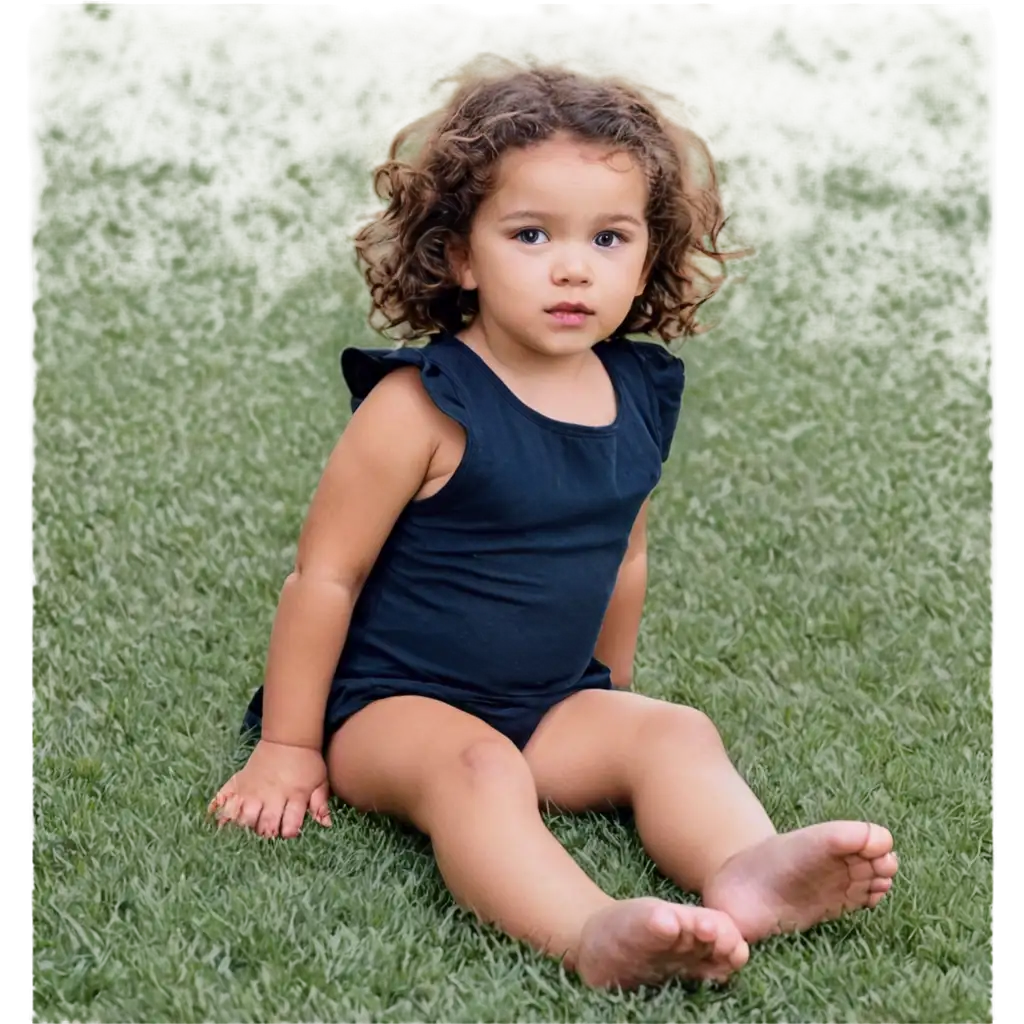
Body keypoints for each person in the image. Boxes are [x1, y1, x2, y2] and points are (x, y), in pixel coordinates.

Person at [208, 60, 898, 991]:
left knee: (675, 732)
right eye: (530, 234)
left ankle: (745, 867)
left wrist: (609, 692)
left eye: (609, 238)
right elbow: (323, 576)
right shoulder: (420, 407)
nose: (573, 266)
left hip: (548, 699)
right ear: (460, 255)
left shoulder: (637, 396)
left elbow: (626, 552)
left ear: (648, 257)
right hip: (392, 709)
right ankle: (591, 931)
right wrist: (289, 747)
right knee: (478, 770)